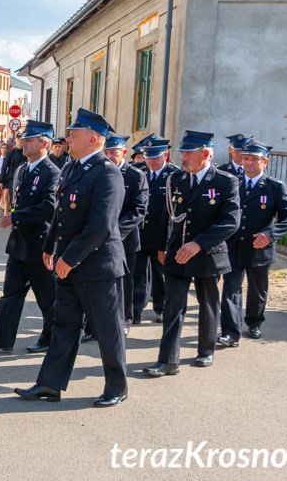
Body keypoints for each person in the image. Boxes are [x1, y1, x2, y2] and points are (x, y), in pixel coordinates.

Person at [15, 108, 128, 408]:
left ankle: (116, 386)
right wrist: (50, 247)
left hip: (98, 266)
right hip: (68, 264)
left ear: (93, 140)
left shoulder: (107, 172)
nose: (68, 140)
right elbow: (60, 213)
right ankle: (50, 384)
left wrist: (70, 258)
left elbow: (101, 225)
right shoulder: (72, 168)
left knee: (107, 329)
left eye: (74, 136)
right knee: (64, 325)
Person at [144, 131, 240, 378]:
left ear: (205, 154)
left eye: (188, 153)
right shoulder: (175, 179)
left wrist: (198, 244)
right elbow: (167, 216)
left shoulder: (224, 182)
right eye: (182, 153)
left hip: (207, 254)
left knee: (208, 303)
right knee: (172, 306)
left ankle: (205, 350)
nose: (183, 157)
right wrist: (162, 247)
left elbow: (230, 221)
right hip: (178, 252)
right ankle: (167, 360)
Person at [0, 120, 60, 354]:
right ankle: (2, 338)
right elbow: (19, 203)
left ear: (44, 143)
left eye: (29, 140)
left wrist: (16, 217)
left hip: (40, 244)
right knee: (10, 294)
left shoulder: (52, 172)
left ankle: (50, 338)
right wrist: (13, 214)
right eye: (23, 139)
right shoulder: (23, 169)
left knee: (47, 297)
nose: (23, 143)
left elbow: (48, 208)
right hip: (19, 244)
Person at [218, 140, 287, 345]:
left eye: (255, 159)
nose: (249, 163)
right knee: (230, 289)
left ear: (265, 162)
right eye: (246, 159)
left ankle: (254, 323)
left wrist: (271, 234)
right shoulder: (233, 183)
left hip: (259, 248)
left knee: (257, 290)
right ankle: (230, 331)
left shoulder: (275, 187)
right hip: (234, 246)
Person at [103, 134, 148, 332]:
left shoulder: (136, 176)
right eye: (106, 152)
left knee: (125, 282)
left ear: (124, 153)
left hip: (124, 239)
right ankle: (97, 324)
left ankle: (124, 320)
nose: (109, 156)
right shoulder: (100, 174)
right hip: (99, 238)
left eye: (114, 152)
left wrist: (115, 232)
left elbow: (139, 209)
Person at [132, 138, 180, 324]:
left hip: (161, 235)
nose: (151, 161)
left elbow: (174, 213)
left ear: (165, 155)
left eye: (156, 157)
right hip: (140, 233)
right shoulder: (139, 172)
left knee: (160, 274)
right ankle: (135, 310)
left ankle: (160, 307)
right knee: (138, 273)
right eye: (147, 157)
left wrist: (168, 241)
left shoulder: (174, 175)